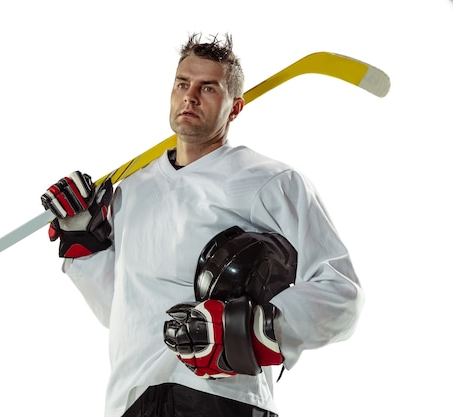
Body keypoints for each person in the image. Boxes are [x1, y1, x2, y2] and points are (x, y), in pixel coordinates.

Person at [41, 33, 364, 417]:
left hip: (224, 400)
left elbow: (342, 293)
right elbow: (123, 311)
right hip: (132, 397)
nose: (190, 96)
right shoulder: (131, 190)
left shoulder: (270, 182)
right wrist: (84, 243)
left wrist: (256, 330)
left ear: (235, 107)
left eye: (207, 87)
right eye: (182, 83)